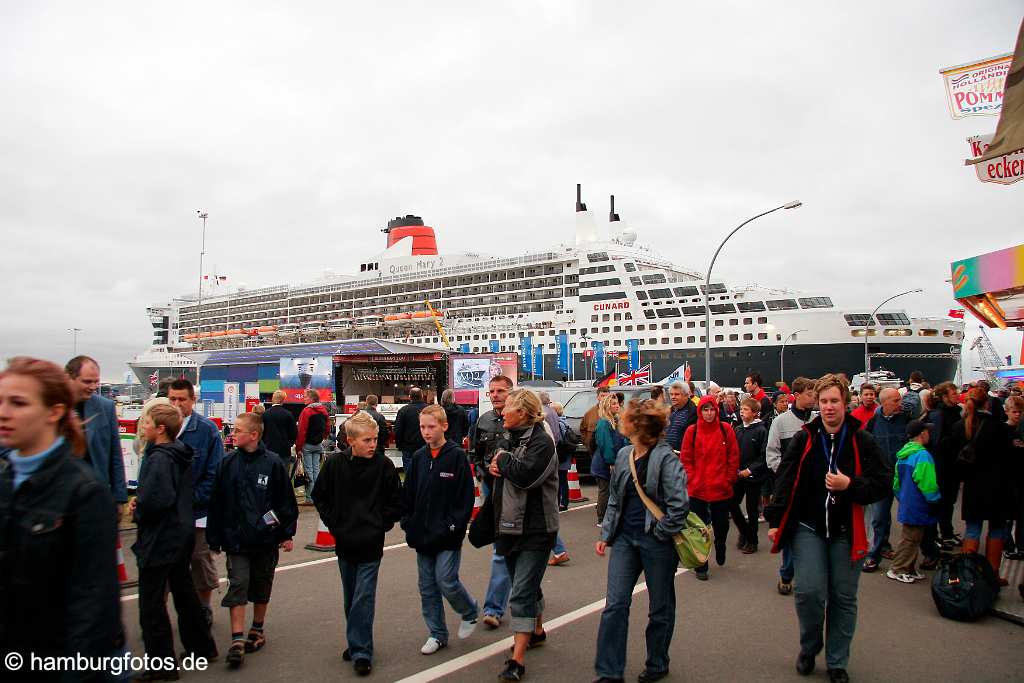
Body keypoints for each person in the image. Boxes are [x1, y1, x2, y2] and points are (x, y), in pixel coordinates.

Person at [0, 357, 125, 678]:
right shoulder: (6, 480)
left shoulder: (84, 493)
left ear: (54, 412)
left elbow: (94, 605)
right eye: (0, 401)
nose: (3, 412)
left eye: (17, 403)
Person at [766, 374, 890, 683]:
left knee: (843, 598)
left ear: (845, 403)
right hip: (808, 527)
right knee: (808, 592)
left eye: (835, 401)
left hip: (847, 531)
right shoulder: (805, 437)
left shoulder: (862, 439)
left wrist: (851, 485)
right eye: (824, 402)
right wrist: (775, 520)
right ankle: (810, 646)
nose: (829, 407)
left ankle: (837, 661)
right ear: (816, 405)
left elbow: (883, 483)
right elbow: (785, 479)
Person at [594, 398, 687, 683]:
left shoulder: (666, 458)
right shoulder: (624, 455)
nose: (622, 419)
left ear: (638, 424)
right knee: (615, 605)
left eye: (627, 417)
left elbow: (679, 504)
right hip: (625, 539)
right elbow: (615, 498)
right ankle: (610, 672)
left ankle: (657, 663)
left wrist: (660, 533)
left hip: (655, 542)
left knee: (660, 606)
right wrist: (607, 534)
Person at [312, 411, 402, 677]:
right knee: (351, 597)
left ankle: (362, 651)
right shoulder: (335, 466)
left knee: (364, 597)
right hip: (345, 542)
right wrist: (334, 523)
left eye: (375, 439)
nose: (373, 444)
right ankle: (356, 642)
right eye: (367, 440)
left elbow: (395, 501)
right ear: (351, 440)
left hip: (371, 543)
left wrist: (381, 524)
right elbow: (320, 496)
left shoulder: (384, 466)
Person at [206, 412, 298, 668]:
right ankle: (237, 639)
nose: (232, 434)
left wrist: (285, 533)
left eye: (237, 430)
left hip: (265, 540)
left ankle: (257, 629)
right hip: (235, 539)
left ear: (254, 435)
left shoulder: (273, 464)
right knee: (238, 583)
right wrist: (214, 537)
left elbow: (285, 503)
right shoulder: (228, 463)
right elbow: (216, 502)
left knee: (261, 583)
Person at [132, 404, 217, 679]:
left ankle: (161, 663)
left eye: (146, 423)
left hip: (161, 535)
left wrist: (139, 508)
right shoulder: (179, 454)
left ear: (160, 429)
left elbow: (157, 498)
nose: (142, 427)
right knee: (184, 592)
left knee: (152, 602)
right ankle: (201, 646)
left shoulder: (158, 458)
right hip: (181, 530)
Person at [487, 389, 559, 682]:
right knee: (524, 584)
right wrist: (495, 464)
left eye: (509, 408)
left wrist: (502, 462)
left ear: (525, 413)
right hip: (509, 524)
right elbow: (494, 464)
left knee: (520, 591)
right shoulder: (508, 438)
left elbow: (526, 475)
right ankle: (537, 630)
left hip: (537, 528)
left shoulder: (542, 443)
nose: (502, 411)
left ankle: (517, 659)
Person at [402, 405, 479, 655]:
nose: (426, 432)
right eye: (422, 427)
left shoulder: (456, 456)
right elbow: (409, 494)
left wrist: (452, 526)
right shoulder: (418, 458)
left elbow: (465, 499)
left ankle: (469, 611)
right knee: (427, 586)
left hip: (447, 535)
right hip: (421, 535)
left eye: (431, 426)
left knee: (446, 580)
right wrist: (408, 522)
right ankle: (437, 633)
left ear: (444, 426)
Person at [168, 377, 224, 626]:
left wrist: (196, 499)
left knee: (200, 560)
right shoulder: (162, 426)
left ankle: (204, 607)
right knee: (167, 562)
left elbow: (215, 471)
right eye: (172, 399)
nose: (177, 404)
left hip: (198, 510)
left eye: (182, 399)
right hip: (167, 512)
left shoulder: (206, 430)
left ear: (193, 400)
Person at [953, 385, 1014, 585]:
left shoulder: (962, 426)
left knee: (972, 530)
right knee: (996, 529)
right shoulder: (1000, 428)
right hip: (998, 485)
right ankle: (992, 574)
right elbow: (1009, 459)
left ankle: (967, 574)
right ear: (988, 403)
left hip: (973, 485)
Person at [766, 376, 817, 595]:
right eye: (809, 394)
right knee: (791, 531)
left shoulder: (818, 419)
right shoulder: (781, 422)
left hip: (816, 489)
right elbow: (772, 454)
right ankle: (787, 573)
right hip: (791, 489)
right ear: (796, 396)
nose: (814, 397)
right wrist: (788, 476)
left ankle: (810, 578)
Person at [681, 394, 740, 579]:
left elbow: (733, 456)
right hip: (698, 489)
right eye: (705, 409)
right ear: (700, 411)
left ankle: (720, 544)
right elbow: (686, 458)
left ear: (716, 410)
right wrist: (692, 479)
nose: (708, 413)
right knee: (699, 529)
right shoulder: (692, 431)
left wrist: (729, 478)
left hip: (721, 488)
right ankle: (702, 564)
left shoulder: (725, 430)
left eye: (711, 409)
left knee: (721, 525)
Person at [473, 375, 514, 629]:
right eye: (492, 391)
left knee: (504, 549)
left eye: (500, 390)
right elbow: (476, 451)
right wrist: (481, 471)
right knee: (502, 547)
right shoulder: (484, 420)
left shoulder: (519, 420)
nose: (495, 395)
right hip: (491, 486)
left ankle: (493, 607)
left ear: (511, 392)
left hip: (513, 489)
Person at [66, 355, 129, 508]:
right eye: (87, 381)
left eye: (96, 381)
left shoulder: (106, 407)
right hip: (62, 495)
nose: (93, 387)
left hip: (95, 495)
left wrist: (119, 498)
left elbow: (115, 454)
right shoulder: (52, 406)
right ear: (69, 378)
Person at [861, 388, 910, 573]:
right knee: (879, 517)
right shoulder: (874, 423)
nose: (900, 403)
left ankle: (917, 554)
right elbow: (865, 447)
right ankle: (874, 555)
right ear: (885, 402)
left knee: (911, 515)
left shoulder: (906, 419)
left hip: (904, 477)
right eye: (896, 400)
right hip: (881, 477)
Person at [887, 420, 941, 584]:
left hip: (907, 501)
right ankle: (898, 568)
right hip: (919, 502)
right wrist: (934, 499)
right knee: (911, 538)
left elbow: (896, 482)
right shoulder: (923, 455)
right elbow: (927, 482)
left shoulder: (904, 454)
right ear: (923, 434)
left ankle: (908, 567)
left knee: (913, 536)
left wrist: (901, 497)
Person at [731, 397, 769, 554]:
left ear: (755, 413)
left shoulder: (761, 430)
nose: (742, 412)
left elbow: (763, 455)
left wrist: (750, 470)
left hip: (753, 477)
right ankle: (745, 532)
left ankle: (752, 541)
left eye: (746, 410)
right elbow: (733, 452)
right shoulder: (738, 429)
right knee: (732, 504)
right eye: (741, 409)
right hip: (738, 475)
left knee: (751, 509)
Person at [593, 393, 625, 525]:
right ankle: (602, 518)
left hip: (613, 461)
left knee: (613, 490)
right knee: (605, 491)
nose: (617, 405)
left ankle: (611, 516)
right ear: (607, 406)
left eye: (617, 403)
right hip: (604, 463)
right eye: (613, 404)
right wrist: (611, 462)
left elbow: (621, 440)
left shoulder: (615, 421)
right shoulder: (603, 423)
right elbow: (606, 444)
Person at [295, 388, 329, 505]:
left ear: (311, 398)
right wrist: (323, 438)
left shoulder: (306, 411)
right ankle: (318, 496)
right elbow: (327, 427)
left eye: (305, 397)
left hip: (307, 445)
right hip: (318, 444)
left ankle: (310, 498)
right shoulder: (323, 411)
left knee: (309, 471)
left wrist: (298, 448)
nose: (304, 398)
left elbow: (302, 431)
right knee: (316, 470)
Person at [1003, 396, 1024, 560]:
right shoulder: (1003, 432)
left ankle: (1021, 546)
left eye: (1020, 412)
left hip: (1020, 478)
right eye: (1014, 412)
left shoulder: (1020, 431)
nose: (1017, 415)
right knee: (1008, 517)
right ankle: (1008, 546)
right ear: (1007, 412)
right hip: (1008, 480)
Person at [394, 387, 428, 474]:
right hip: (426, 446)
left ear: (410, 397)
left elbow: (398, 430)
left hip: (408, 447)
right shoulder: (429, 410)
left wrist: (399, 445)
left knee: (409, 475)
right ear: (422, 396)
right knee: (424, 472)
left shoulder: (403, 411)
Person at [262, 389, 298, 472]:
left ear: (272, 399)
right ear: (283, 400)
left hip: (268, 448)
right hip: (284, 450)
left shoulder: (265, 414)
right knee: (283, 474)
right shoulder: (288, 414)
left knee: (268, 474)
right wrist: (289, 443)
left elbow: (262, 432)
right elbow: (294, 433)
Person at [664, 381, 697, 452]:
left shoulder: (693, 412)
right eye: (671, 394)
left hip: (682, 456)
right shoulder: (671, 411)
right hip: (668, 455)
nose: (673, 397)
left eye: (677, 394)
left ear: (686, 395)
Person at [580, 386, 611, 452]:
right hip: (595, 451)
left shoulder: (615, 412)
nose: (605, 398)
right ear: (598, 397)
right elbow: (582, 429)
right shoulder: (590, 413)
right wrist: (587, 443)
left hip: (611, 450)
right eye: (602, 396)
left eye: (607, 396)